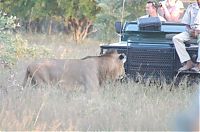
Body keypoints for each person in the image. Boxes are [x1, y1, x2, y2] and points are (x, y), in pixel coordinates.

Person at [172, 0, 200, 72]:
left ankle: (199, 64)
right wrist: (190, 30)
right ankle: (188, 62)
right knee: (176, 38)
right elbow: (186, 23)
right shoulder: (191, 6)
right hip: (192, 31)